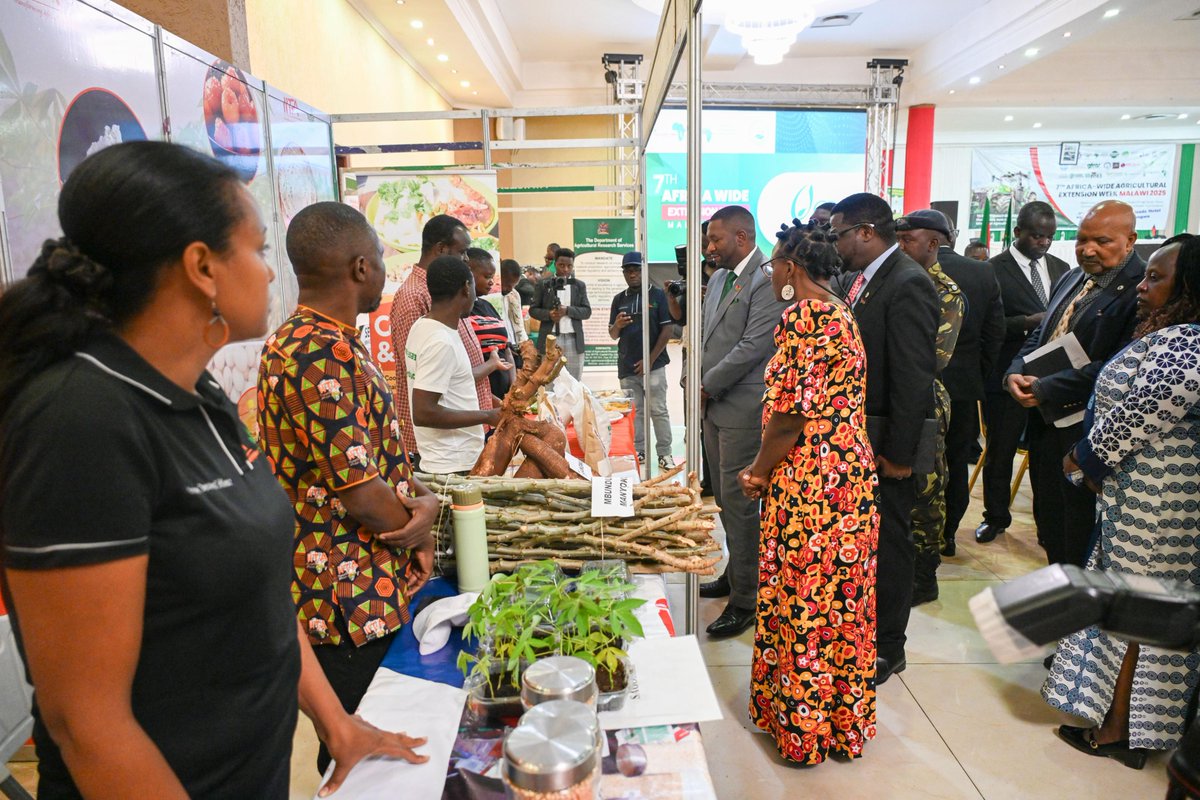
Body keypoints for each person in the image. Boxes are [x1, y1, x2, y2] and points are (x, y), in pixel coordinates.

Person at [0, 142, 426, 800]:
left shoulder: (200, 396)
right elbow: (87, 725)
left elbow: (259, 591)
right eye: (257, 250)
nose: (271, 272)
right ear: (202, 266)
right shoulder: (79, 420)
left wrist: (338, 725)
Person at [257, 201, 442, 776]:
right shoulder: (317, 352)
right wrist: (420, 530)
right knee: (360, 754)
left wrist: (424, 499)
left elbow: (375, 454)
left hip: (365, 582)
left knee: (376, 740)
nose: (385, 269)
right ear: (361, 267)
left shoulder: (328, 340)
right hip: (345, 595)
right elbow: (360, 491)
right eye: (381, 257)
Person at [1043, 234, 1200, 767]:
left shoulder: (1186, 342)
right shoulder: (1173, 334)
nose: (1141, 285)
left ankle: (1120, 732)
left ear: (1189, 286)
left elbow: (1141, 413)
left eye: (1156, 277)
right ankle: (1121, 722)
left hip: (1159, 504)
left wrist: (1083, 458)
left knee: (1138, 615)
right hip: (1143, 496)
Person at [738, 221, 878, 764]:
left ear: (791, 268)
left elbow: (791, 414)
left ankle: (803, 731)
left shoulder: (805, 316)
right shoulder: (841, 310)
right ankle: (839, 725)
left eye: (773, 264)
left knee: (804, 598)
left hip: (811, 478)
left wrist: (758, 470)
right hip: (848, 474)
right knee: (840, 599)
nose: (771, 273)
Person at [830, 192, 938, 683]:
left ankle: (889, 646)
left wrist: (898, 453)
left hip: (889, 444)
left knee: (891, 543)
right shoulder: (864, 279)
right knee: (870, 541)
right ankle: (864, 633)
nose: (836, 245)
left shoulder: (907, 282)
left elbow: (913, 377)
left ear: (866, 231)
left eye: (840, 235)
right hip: (863, 436)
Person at [1005, 200, 1145, 567]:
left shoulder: (1142, 289)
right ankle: (1058, 586)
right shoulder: (1071, 277)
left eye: (1102, 241)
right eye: (1082, 240)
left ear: (1130, 240)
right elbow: (1042, 335)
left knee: (1077, 528)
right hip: (1045, 422)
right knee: (1049, 519)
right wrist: (1015, 370)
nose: (1088, 249)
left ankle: (1076, 598)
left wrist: (1047, 388)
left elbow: (1118, 365)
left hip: (1088, 430)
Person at [696, 205, 790, 638]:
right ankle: (736, 574)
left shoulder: (766, 279)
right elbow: (704, 337)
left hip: (742, 409)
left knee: (741, 506)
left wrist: (707, 384)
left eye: (715, 239)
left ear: (742, 236)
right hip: (713, 407)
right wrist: (694, 381)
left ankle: (747, 599)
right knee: (725, 501)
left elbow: (754, 346)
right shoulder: (718, 279)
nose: (709, 248)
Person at [976, 201, 1069, 544]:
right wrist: (1026, 323)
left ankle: (1047, 525)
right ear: (1018, 232)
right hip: (1006, 374)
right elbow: (985, 324)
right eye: (1036, 236)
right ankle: (995, 517)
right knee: (1000, 453)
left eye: (1049, 237)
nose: (1043, 242)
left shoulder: (1062, 268)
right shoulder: (992, 269)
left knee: (1046, 457)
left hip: (1050, 378)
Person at [895, 210, 964, 606]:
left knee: (926, 489)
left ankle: (925, 575)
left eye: (908, 240)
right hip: (895, 399)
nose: (900, 246)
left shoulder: (946, 292)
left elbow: (935, 358)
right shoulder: (896, 279)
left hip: (925, 403)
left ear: (933, 244)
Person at [388, 215, 492, 467]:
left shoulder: (444, 303)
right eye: (462, 252)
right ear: (441, 249)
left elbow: (450, 373)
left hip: (459, 439)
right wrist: (487, 414)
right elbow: (424, 396)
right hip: (444, 451)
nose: (466, 259)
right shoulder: (414, 298)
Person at [935, 226, 1004, 556]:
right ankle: (948, 534)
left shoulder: (907, 267)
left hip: (915, 386)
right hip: (963, 387)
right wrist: (977, 375)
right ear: (953, 235)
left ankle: (918, 536)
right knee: (955, 461)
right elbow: (995, 334)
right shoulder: (982, 272)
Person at [406, 256, 505, 474]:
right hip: (452, 463)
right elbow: (423, 412)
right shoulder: (440, 341)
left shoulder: (423, 326)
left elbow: (452, 382)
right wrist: (487, 415)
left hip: (448, 458)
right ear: (466, 288)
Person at [608, 250, 674, 470]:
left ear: (644, 270)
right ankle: (639, 450)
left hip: (654, 366)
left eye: (636, 270)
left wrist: (649, 360)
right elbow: (613, 334)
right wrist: (617, 325)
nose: (632, 274)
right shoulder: (619, 299)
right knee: (635, 412)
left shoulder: (657, 295)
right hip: (627, 366)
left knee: (658, 410)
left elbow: (667, 330)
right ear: (624, 273)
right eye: (628, 271)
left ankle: (665, 453)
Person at [529, 247, 592, 380]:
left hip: (574, 339)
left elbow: (587, 311)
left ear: (573, 266)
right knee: (548, 380)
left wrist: (568, 310)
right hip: (550, 338)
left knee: (574, 381)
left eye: (569, 266)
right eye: (561, 265)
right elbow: (533, 310)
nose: (565, 269)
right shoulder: (543, 284)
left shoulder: (579, 285)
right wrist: (549, 314)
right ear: (555, 264)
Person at [466, 248, 515, 399]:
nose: (492, 282)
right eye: (487, 276)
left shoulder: (488, 306)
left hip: (504, 394)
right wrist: (492, 400)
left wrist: (513, 386)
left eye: (493, 277)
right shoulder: (462, 312)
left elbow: (506, 349)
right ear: (469, 273)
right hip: (480, 396)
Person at [501, 258, 533, 341]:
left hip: (514, 342)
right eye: (507, 285)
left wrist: (525, 342)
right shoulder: (491, 296)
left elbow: (520, 325)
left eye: (513, 286)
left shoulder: (514, 294)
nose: (510, 289)